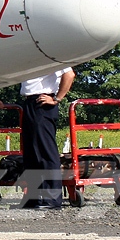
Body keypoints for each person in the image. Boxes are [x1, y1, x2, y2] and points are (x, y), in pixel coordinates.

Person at [19, 67, 75, 209]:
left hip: (42, 101)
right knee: (31, 152)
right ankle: (34, 196)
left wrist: (57, 98)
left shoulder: (51, 52)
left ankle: (52, 198)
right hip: (30, 102)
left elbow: (69, 74)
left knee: (45, 151)